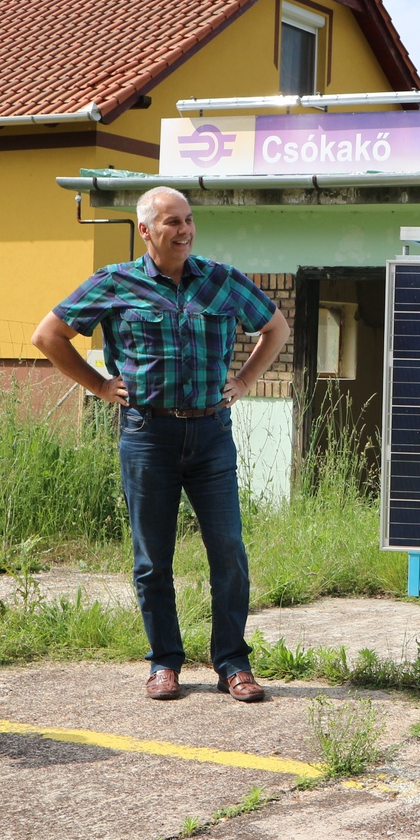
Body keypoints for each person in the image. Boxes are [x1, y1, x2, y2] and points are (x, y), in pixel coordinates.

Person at [32, 186, 290, 702]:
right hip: (148, 435)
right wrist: (101, 385)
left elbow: (275, 328)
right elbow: (48, 335)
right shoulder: (115, 282)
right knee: (153, 558)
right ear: (146, 230)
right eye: (172, 222)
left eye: (189, 220)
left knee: (229, 550)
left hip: (212, 433)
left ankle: (232, 663)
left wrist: (242, 382)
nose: (185, 230)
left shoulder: (221, 280)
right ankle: (164, 662)